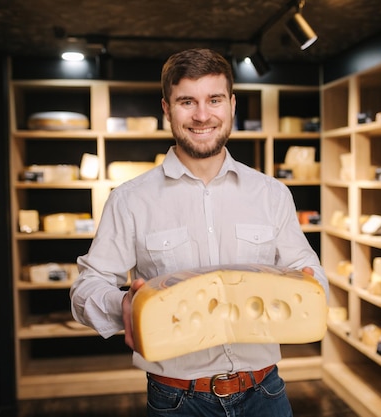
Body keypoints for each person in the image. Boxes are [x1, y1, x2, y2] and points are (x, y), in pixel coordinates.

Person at [70, 48, 328, 417]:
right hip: (178, 401)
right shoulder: (130, 200)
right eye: (187, 101)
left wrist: (309, 284)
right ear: (166, 108)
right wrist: (123, 305)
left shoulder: (271, 194)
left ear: (232, 105)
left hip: (265, 394)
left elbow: (309, 270)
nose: (202, 115)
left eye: (214, 100)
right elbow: (86, 288)